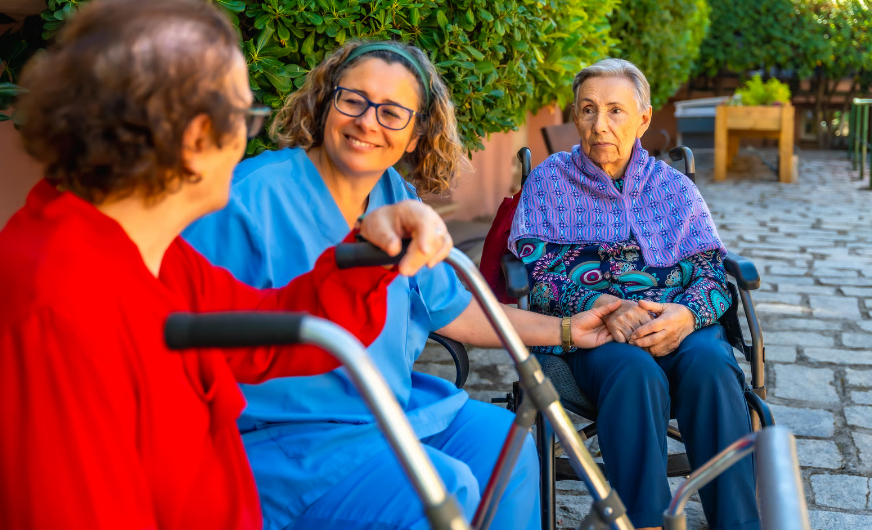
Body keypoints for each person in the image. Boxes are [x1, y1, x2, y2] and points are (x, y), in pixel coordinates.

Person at [0, 2, 455, 529]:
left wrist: (368, 253)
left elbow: (270, 334)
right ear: (195, 136)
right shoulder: (60, 299)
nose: (246, 140)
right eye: (243, 116)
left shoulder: (150, 253)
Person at [184, 40, 620, 530]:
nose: (368, 121)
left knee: (505, 443)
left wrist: (566, 330)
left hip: (389, 411)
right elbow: (184, 328)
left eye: (392, 112)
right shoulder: (250, 196)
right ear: (327, 102)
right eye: (353, 100)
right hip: (286, 437)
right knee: (444, 488)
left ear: (415, 135)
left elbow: (454, 312)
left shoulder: (393, 194)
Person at [509, 58, 758, 530]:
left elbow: (710, 273)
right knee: (633, 369)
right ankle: (640, 522)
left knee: (712, 366)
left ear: (644, 119)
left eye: (615, 111)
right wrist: (599, 305)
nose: (600, 125)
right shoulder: (549, 181)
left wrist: (685, 315)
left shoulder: (674, 189)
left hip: (679, 319)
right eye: (587, 110)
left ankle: (738, 523)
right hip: (594, 331)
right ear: (575, 116)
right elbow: (535, 271)